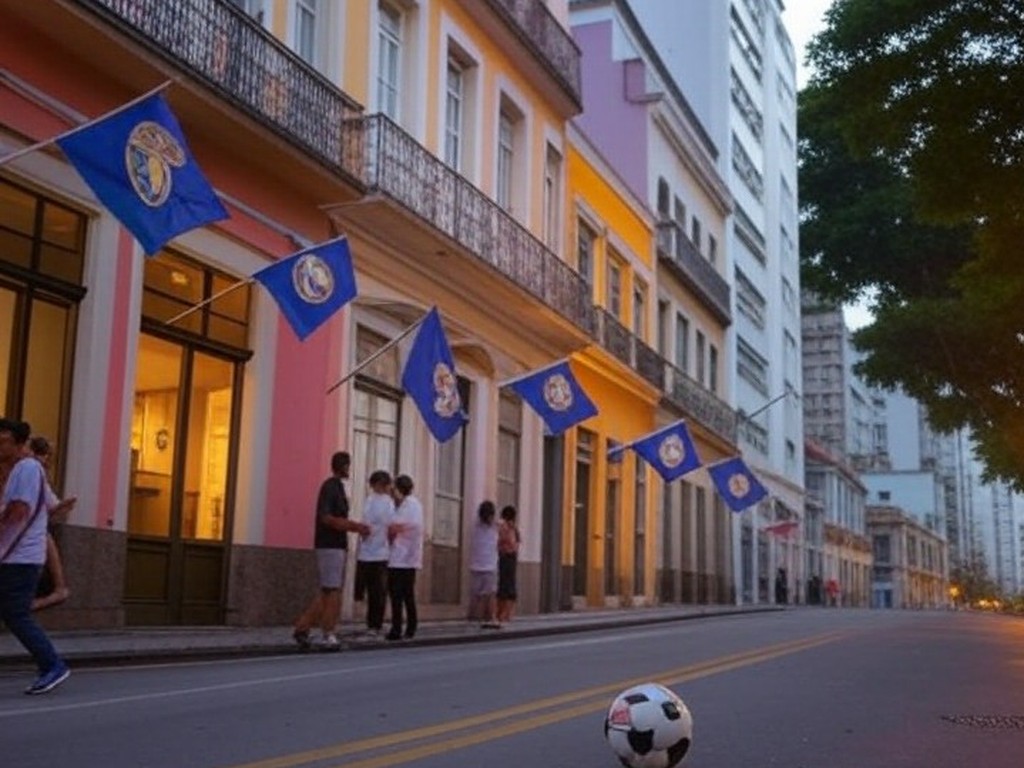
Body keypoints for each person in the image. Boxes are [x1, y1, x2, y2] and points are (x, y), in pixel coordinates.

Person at [0, 418, 70, 694]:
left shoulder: (27, 468)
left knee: (16, 615)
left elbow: (19, 511)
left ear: (19, 443)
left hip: (21, 557)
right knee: (14, 613)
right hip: (11, 555)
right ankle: (51, 664)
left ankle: (52, 664)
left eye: (3, 441)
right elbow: (51, 506)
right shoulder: (15, 469)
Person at [292, 451, 369, 651]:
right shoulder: (331, 487)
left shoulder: (336, 488)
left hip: (335, 544)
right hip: (330, 544)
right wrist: (354, 526)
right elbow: (326, 517)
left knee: (328, 590)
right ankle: (328, 631)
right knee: (332, 591)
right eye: (348, 465)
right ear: (343, 466)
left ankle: (304, 626)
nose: (349, 469)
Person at [27, 436, 76, 611]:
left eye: (45, 455)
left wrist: (61, 507)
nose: (42, 459)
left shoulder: (37, 475)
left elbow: (52, 506)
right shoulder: (27, 471)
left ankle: (58, 587)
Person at [355, 470, 393, 638]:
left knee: (377, 591)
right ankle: (371, 623)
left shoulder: (386, 502)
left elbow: (390, 525)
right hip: (368, 549)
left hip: (380, 551)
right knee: (371, 590)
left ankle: (375, 623)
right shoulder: (370, 500)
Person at [385, 474, 423, 641]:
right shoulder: (398, 506)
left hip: (406, 557)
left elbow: (413, 524)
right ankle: (398, 627)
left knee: (406, 594)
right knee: (396, 595)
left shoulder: (413, 505)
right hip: (396, 556)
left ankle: (409, 626)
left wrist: (396, 528)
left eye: (395, 489)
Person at [469, 500, 500, 629]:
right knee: (489, 593)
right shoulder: (494, 526)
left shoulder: (477, 526)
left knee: (479, 594)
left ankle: (477, 616)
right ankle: (490, 617)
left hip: (478, 564)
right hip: (488, 565)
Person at [496, 505, 520, 625]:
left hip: (509, 557)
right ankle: (502, 614)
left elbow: (515, 542)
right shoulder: (504, 527)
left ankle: (506, 614)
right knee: (505, 585)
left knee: (509, 586)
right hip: (506, 557)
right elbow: (507, 542)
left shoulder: (512, 528)